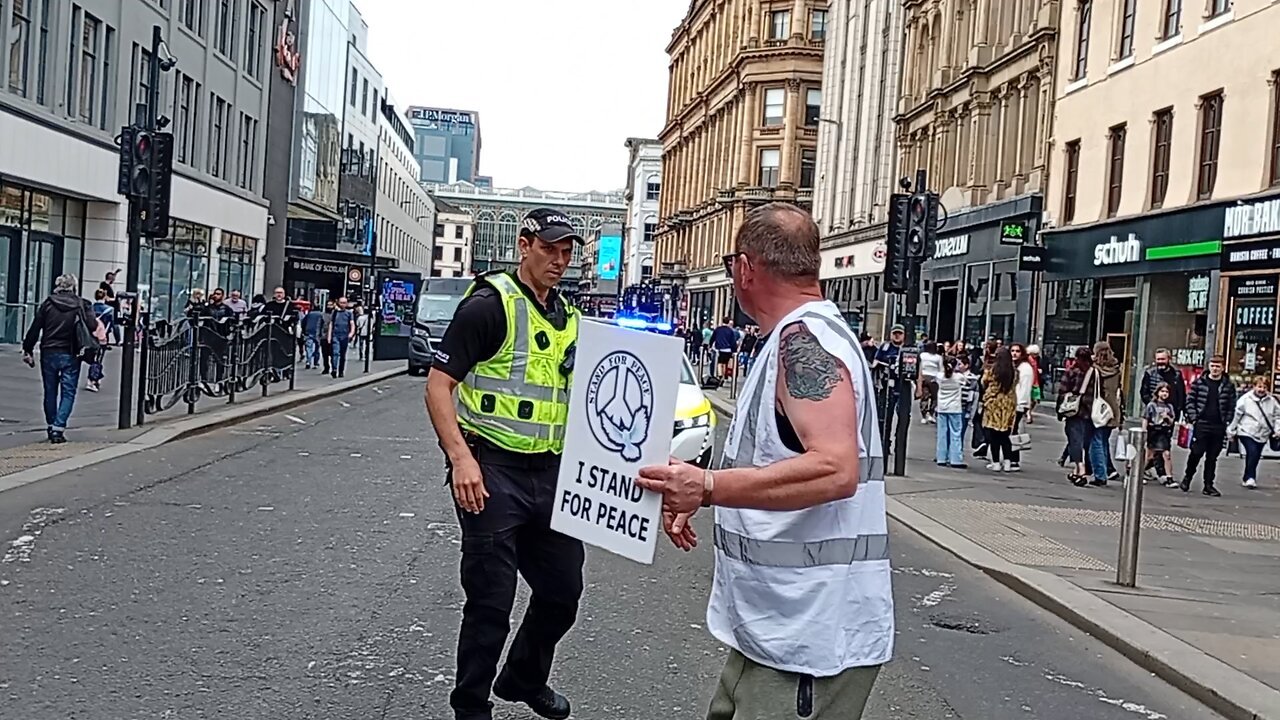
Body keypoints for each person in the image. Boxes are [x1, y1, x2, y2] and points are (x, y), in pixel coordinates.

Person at [636, 202, 891, 720]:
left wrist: (708, 486)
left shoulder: (806, 343)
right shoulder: (795, 338)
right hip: (777, 630)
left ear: (746, 268)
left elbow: (836, 468)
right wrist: (703, 492)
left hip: (808, 642)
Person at [424, 207, 584, 720]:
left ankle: (522, 677)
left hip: (549, 472)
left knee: (563, 591)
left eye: (566, 252)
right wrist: (460, 459)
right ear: (524, 245)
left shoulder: (570, 319)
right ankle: (471, 706)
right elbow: (438, 385)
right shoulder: (490, 306)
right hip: (491, 471)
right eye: (550, 249)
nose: (559, 261)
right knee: (491, 602)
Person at [21, 274, 106, 443]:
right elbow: (92, 325)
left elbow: (35, 327)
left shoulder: (48, 304)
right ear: (74, 286)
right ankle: (58, 429)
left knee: (50, 391)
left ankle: (51, 425)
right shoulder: (82, 304)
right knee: (68, 392)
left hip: (49, 352)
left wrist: (28, 349)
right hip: (72, 353)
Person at [1181, 354, 1235, 497]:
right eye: (1212, 366)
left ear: (1223, 368)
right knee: (1196, 453)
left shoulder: (1228, 385)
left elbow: (1231, 404)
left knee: (1212, 457)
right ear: (1209, 367)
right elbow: (1190, 401)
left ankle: (1208, 485)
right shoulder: (1200, 383)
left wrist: (1228, 420)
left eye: (1218, 366)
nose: (1215, 369)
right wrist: (1193, 418)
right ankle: (1188, 477)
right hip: (1202, 423)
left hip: (1218, 425)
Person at [1139, 348, 1186, 478]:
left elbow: (1181, 394)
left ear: (1168, 359)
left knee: (1164, 446)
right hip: (1154, 417)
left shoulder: (1176, 374)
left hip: (1170, 416)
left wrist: (1179, 411)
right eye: (1158, 359)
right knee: (1152, 449)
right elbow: (1144, 392)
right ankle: (1153, 471)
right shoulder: (1150, 373)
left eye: (1163, 359)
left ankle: (1160, 472)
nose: (1160, 362)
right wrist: (1154, 406)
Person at [1227, 376, 1280, 490]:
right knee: (1252, 451)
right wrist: (1231, 430)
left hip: (1263, 433)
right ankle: (1250, 477)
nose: (1261, 389)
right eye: (1259, 386)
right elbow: (1237, 415)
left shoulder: (1272, 402)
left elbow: (1277, 416)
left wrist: (1277, 430)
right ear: (1254, 386)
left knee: (1255, 455)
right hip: (1246, 431)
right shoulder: (1245, 400)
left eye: (1264, 387)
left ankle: (1247, 476)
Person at [1058, 345, 1096, 487]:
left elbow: (1062, 391)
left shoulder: (1072, 372)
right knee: (1084, 441)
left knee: (1074, 440)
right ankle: (1076, 470)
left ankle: (1080, 468)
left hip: (1074, 412)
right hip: (1089, 411)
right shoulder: (1094, 373)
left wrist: (1060, 411)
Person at [1089, 341, 1124, 486]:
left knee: (1095, 441)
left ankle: (1100, 474)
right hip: (1112, 410)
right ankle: (1104, 470)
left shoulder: (1095, 370)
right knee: (1103, 441)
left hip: (1099, 409)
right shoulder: (1116, 369)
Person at [981, 347, 1018, 472]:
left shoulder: (994, 371)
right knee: (1005, 435)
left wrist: (985, 399)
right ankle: (1008, 462)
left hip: (995, 405)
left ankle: (996, 462)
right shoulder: (1014, 371)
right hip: (1009, 404)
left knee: (994, 436)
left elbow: (990, 387)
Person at [1143, 382, 1178, 487]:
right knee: (1149, 455)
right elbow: (1146, 418)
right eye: (1162, 391)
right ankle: (1138, 473)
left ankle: (1169, 477)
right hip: (1154, 431)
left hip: (1164, 432)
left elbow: (1172, 421)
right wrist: (1144, 430)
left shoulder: (1169, 406)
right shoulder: (1152, 405)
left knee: (1166, 454)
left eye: (1166, 392)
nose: (1164, 394)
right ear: (1157, 392)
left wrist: (1167, 418)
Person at [935, 356, 967, 468]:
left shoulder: (939, 376)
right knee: (956, 433)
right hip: (955, 408)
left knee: (942, 433)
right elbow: (965, 380)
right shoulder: (959, 377)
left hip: (942, 407)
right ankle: (955, 459)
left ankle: (941, 457)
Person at [1009, 343, 1035, 471]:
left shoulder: (1025, 368)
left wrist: (1021, 405)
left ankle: (1014, 459)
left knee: (1013, 431)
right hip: (1013, 403)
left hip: (1018, 403)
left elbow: (1024, 388)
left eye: (1017, 351)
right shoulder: (1015, 366)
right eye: (1012, 351)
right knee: (1011, 431)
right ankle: (1011, 458)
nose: (1014, 353)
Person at [327, 297, 355, 378]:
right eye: (341, 302)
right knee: (335, 353)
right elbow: (331, 324)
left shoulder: (349, 313)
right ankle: (334, 369)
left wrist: (351, 333)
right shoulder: (334, 313)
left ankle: (341, 371)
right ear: (338, 303)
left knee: (343, 354)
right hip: (335, 335)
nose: (343, 304)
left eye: (344, 302)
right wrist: (329, 336)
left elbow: (352, 324)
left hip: (344, 336)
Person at [917, 341, 943, 425]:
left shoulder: (922, 355)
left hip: (924, 377)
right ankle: (931, 414)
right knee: (934, 398)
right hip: (934, 378)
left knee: (924, 397)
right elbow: (941, 368)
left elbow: (920, 366)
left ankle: (924, 416)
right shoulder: (938, 357)